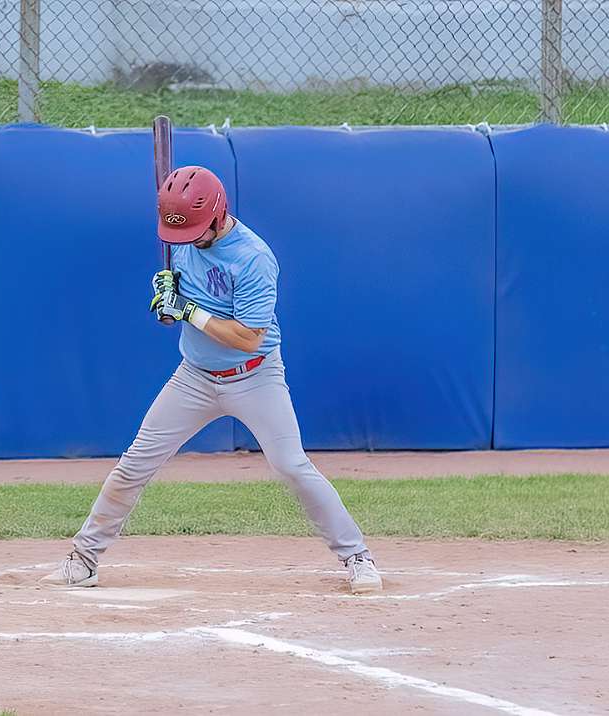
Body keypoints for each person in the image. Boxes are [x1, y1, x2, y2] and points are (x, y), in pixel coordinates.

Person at [41, 166, 382, 594]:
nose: (187, 240)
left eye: (195, 231)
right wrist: (169, 301)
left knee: (292, 466)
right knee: (134, 465)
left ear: (219, 215)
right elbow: (176, 312)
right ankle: (84, 559)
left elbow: (248, 338)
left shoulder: (254, 258)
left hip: (255, 376)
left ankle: (357, 557)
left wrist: (189, 311)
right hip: (194, 377)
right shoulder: (182, 241)